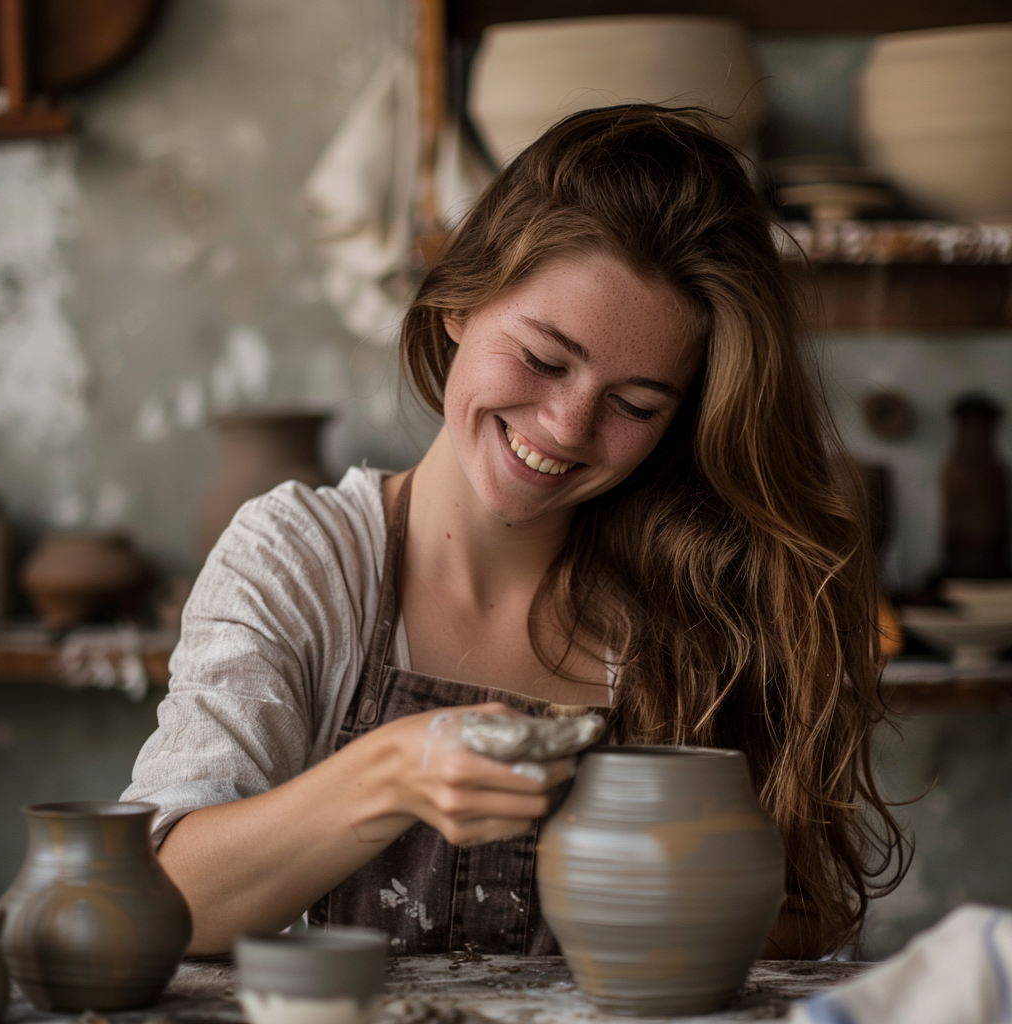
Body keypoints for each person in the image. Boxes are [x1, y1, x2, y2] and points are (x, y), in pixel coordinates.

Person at [123, 104, 906, 960]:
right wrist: (390, 776)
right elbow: (152, 902)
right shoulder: (301, 559)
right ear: (460, 301)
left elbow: (800, 923)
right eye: (541, 358)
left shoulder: (712, 590)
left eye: (635, 404)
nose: (567, 428)